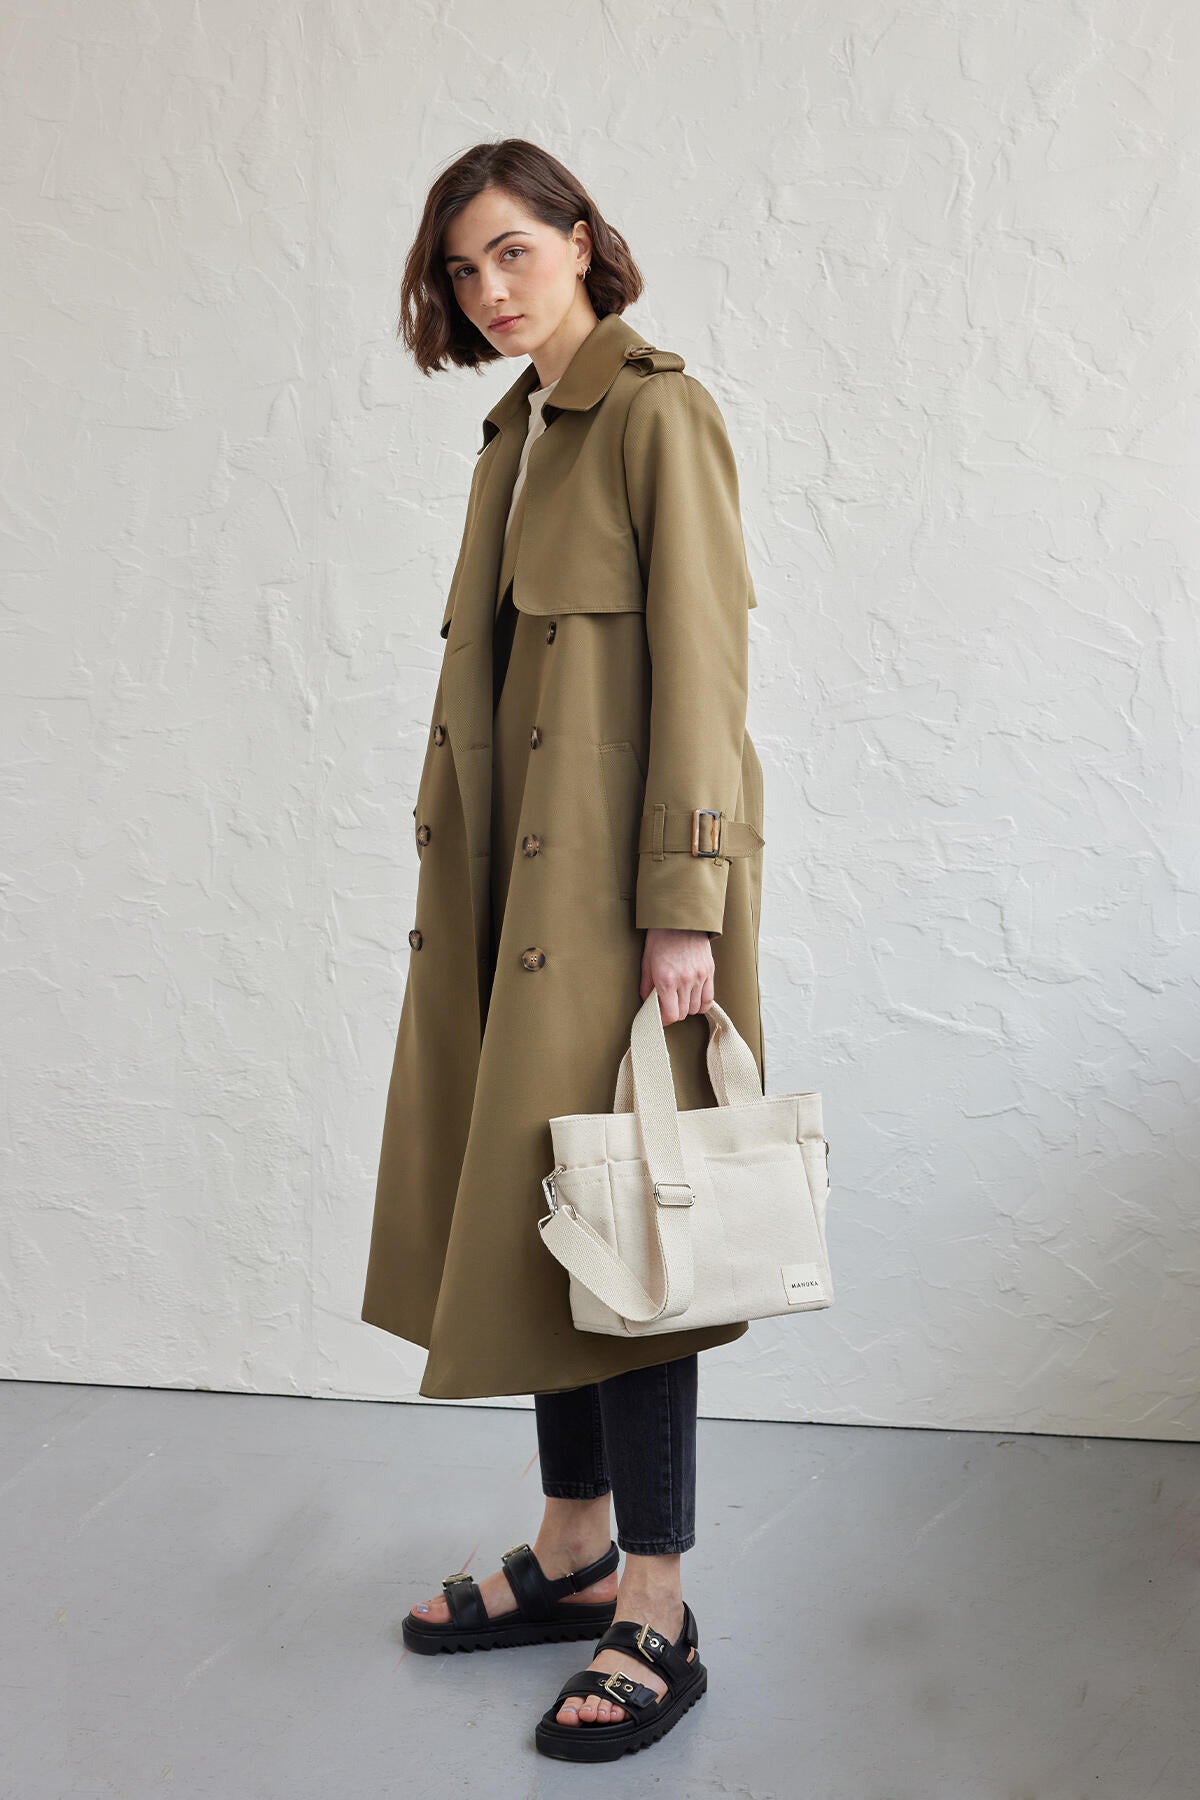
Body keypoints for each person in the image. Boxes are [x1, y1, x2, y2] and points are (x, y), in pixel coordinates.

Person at [361, 138, 766, 1761]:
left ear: (584, 241)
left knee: (639, 1229)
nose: (488, 289)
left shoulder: (660, 414)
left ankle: (655, 1607)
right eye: (463, 269)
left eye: (512, 252)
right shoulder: (516, 431)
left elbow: (706, 674)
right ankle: (574, 1548)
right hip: (509, 904)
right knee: (556, 1204)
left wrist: (685, 904)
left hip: (621, 906)